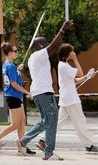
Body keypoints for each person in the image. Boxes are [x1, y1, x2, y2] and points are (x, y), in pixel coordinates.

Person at [19, 20, 71, 161]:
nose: (48, 45)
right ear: (41, 45)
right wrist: (62, 30)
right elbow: (54, 45)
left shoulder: (32, 57)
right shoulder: (40, 54)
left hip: (38, 92)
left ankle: (24, 140)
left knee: (45, 120)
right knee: (52, 120)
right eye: (45, 43)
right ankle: (49, 152)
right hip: (43, 92)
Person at [57, 44, 98, 153]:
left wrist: (87, 76)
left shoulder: (62, 65)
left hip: (66, 99)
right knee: (80, 122)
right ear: (68, 54)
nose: (73, 53)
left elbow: (75, 80)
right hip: (71, 99)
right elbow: (79, 73)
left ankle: (43, 140)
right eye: (72, 52)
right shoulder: (64, 66)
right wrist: (76, 60)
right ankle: (89, 145)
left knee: (58, 122)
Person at [0, 42, 33, 156]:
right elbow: (13, 84)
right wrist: (27, 92)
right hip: (13, 96)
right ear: (9, 53)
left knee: (22, 122)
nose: (17, 53)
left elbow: (12, 78)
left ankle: (22, 145)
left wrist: (17, 70)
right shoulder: (10, 66)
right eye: (15, 51)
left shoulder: (8, 65)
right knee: (15, 124)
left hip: (15, 96)